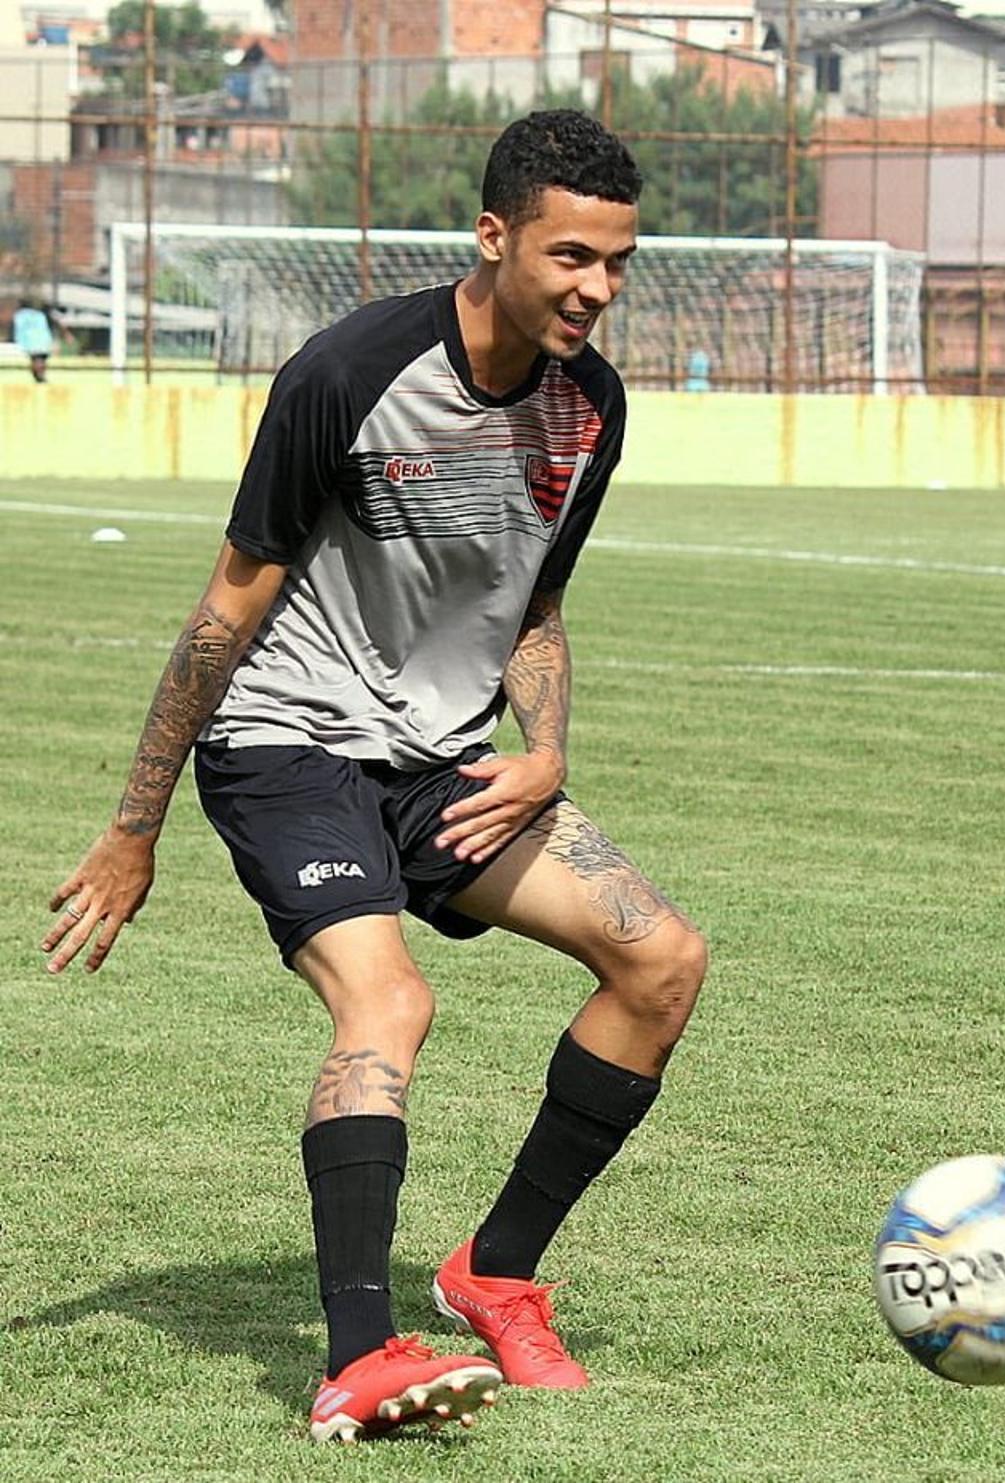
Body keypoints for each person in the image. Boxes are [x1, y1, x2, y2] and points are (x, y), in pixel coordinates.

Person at [39, 110, 708, 1443]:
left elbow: (535, 609)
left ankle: (495, 1272)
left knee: (663, 961)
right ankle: (356, 1353)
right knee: (389, 1002)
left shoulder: (594, 407)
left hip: (445, 759)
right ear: (494, 235)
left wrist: (549, 754)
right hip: (286, 740)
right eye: (572, 256)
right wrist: (134, 828)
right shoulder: (350, 371)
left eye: (619, 263)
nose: (598, 288)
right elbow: (227, 606)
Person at [13, 297, 54, 382]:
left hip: (31, 343)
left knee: (37, 359)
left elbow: (19, 329)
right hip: (42, 342)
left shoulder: (20, 315)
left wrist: (19, 341)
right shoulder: (39, 315)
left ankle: (39, 376)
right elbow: (45, 328)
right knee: (39, 359)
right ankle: (39, 376)